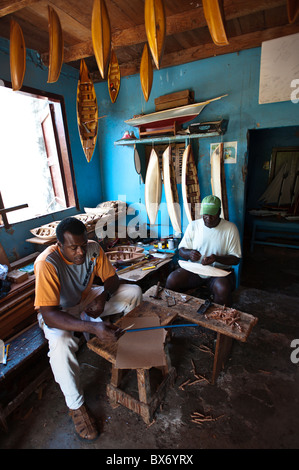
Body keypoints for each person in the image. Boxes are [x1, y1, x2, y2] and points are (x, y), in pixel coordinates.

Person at [34, 216, 142, 440]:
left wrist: (103, 296)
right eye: (73, 248)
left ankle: (126, 344)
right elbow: (49, 315)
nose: (81, 253)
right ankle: (76, 407)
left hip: (86, 299)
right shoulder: (47, 263)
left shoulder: (92, 249)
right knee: (62, 344)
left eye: (83, 245)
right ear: (59, 245)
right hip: (59, 312)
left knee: (134, 292)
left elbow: (112, 279)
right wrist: (93, 328)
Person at [165, 195, 241, 307]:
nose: (208, 218)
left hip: (218, 272)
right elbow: (181, 250)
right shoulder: (194, 225)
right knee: (172, 280)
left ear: (219, 212)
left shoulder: (230, 228)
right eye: (205, 214)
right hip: (195, 269)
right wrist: (189, 254)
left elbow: (236, 259)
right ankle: (172, 310)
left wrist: (216, 258)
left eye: (212, 214)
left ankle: (220, 320)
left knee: (222, 289)